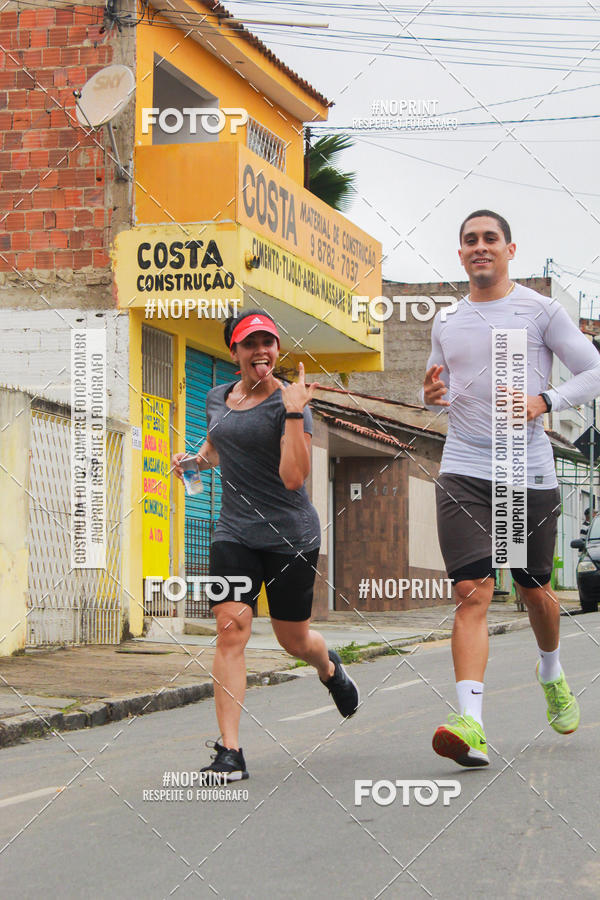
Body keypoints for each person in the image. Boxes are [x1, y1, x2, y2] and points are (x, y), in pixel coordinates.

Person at [422, 210, 600, 767]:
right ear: (460, 254)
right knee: (471, 592)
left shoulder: (540, 310)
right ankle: (470, 724)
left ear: (509, 249)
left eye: (489, 239)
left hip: (526, 469)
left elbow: (593, 371)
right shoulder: (446, 320)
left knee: (533, 591)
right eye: (469, 240)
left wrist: (544, 402)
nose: (480, 247)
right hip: (464, 467)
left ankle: (551, 669)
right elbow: (436, 383)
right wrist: (432, 393)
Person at [173, 309, 359, 780]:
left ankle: (328, 666)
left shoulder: (290, 404)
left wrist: (295, 412)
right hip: (234, 532)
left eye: (268, 342)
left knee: (292, 638)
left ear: (277, 350)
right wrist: (193, 463)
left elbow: (294, 476)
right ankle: (230, 752)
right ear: (234, 352)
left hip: (290, 536)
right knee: (230, 629)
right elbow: (218, 449)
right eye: (250, 344)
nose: (261, 351)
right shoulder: (218, 397)